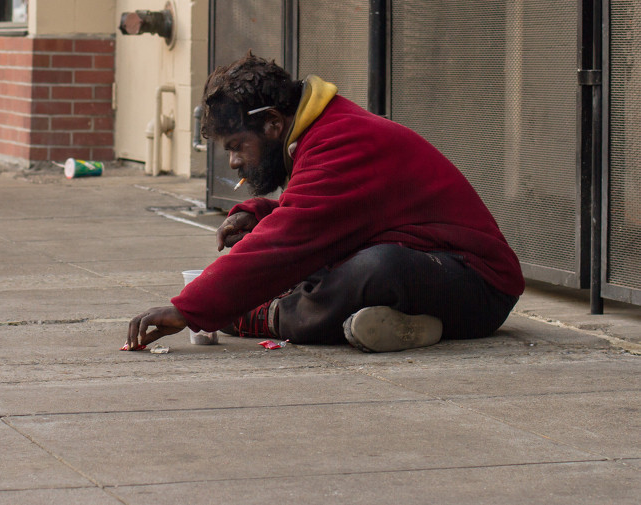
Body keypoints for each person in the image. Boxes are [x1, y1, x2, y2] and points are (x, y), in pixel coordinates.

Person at [127, 52, 525, 353]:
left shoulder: (341, 141)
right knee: (332, 265)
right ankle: (412, 326)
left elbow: (285, 243)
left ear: (273, 123)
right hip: (431, 271)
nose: (234, 162)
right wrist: (258, 213)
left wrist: (189, 309)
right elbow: (328, 215)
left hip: (479, 290)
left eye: (236, 146)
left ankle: (268, 316)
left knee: (373, 267)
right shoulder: (323, 131)